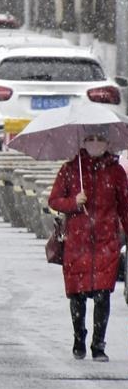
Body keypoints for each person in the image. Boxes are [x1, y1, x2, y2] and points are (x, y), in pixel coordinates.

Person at [48, 127, 128, 362]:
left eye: (100, 139)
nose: (95, 143)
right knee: (78, 295)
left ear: (107, 142)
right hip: (77, 243)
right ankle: (79, 338)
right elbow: (54, 200)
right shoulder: (71, 170)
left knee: (103, 294)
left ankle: (98, 343)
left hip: (106, 242)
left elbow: (124, 206)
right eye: (90, 139)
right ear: (82, 142)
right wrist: (74, 201)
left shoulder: (116, 172)